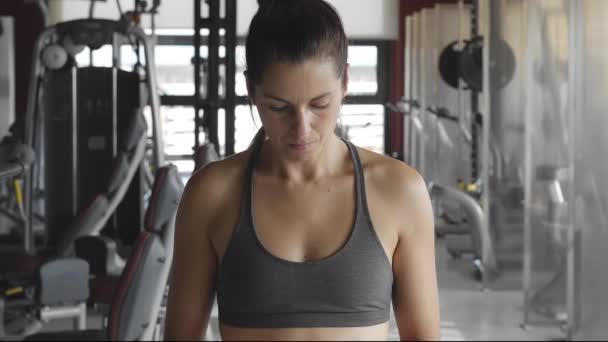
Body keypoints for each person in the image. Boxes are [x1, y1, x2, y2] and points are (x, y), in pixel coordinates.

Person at [164, 0, 440, 340]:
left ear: (346, 83)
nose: (302, 129)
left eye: (319, 105)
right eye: (279, 107)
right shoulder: (211, 193)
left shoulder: (400, 190)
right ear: (251, 89)